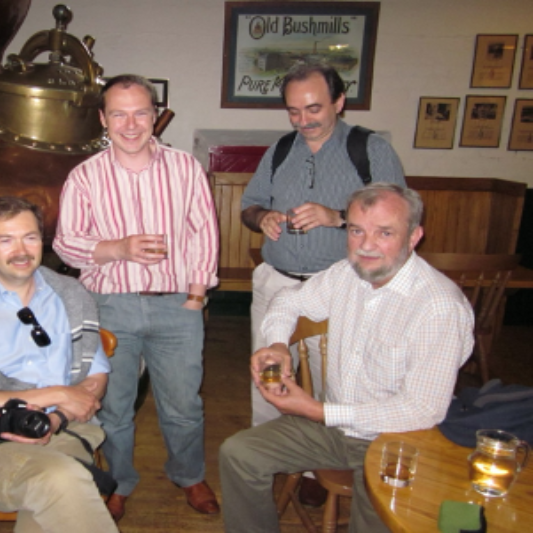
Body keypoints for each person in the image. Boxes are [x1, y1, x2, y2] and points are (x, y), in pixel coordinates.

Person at [219, 183, 475, 533]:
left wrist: (318, 411)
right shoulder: (346, 274)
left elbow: (422, 410)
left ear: (414, 237)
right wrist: (278, 344)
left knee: (373, 519)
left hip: (399, 440)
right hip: (336, 428)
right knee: (239, 453)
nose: (366, 245)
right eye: (356, 230)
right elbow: (288, 300)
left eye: (384, 233)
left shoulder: (438, 306)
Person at [53, 74, 221, 522]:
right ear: (104, 119)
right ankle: (121, 481)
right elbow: (65, 243)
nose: (131, 124)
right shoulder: (85, 176)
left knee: (185, 403)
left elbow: (205, 232)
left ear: (155, 115)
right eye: (120, 114)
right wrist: (118, 249)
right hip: (110, 307)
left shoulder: (185, 167)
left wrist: (197, 296)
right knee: (114, 406)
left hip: (176, 304)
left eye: (141, 112)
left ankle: (188, 474)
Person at [0, 196, 118, 533]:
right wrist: (55, 393)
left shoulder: (72, 296)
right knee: (62, 478)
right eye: (5, 239)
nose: (21, 250)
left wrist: (57, 417)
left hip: (64, 430)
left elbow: (95, 378)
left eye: (29, 237)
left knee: (56, 487)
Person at [240, 63, 407, 428]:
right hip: (276, 282)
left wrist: (338, 217)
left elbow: (399, 218)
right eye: (294, 111)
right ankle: (266, 454)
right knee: (267, 380)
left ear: (339, 102)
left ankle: (318, 473)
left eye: (314, 108)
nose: (303, 120)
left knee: (330, 384)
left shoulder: (370, 149)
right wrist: (262, 216)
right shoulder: (281, 149)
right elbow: (248, 206)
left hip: (340, 286)